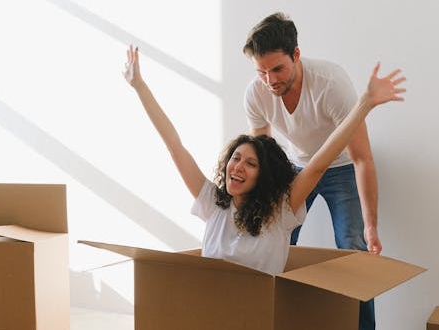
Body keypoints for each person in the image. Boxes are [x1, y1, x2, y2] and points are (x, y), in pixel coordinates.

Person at [122, 44, 404, 277]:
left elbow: (320, 161)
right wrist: (139, 86)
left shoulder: (280, 212)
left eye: (250, 164)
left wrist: (364, 104)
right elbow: (175, 146)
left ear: (262, 176)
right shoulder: (213, 203)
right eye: (236, 158)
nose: (238, 166)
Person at [242, 12, 396, 329]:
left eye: (278, 69)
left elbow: (362, 159)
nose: (270, 80)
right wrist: (261, 217)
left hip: (342, 167)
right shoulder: (255, 94)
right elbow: (264, 160)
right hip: (299, 167)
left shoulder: (331, 85)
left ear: (296, 54)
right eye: (262, 72)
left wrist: (371, 226)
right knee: (275, 246)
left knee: (353, 250)